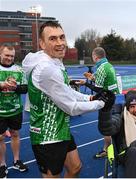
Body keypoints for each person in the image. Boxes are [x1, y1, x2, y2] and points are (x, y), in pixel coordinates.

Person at [22, 21, 114, 178]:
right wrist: (100, 103)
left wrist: (90, 97)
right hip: (48, 135)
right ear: (42, 44)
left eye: (62, 37)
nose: (60, 43)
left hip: (61, 129)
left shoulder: (54, 62)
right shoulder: (47, 69)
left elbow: (66, 91)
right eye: (52, 39)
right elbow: (70, 107)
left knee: (75, 167)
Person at [76, 47, 119, 158]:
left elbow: (99, 90)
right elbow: (104, 82)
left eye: (92, 56)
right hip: (114, 97)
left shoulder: (100, 69)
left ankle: (106, 150)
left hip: (107, 101)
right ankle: (115, 147)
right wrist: (92, 78)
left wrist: (85, 83)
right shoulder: (108, 65)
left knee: (106, 127)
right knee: (115, 122)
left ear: (95, 57)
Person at [0, 45, 28, 178]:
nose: (9, 58)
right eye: (7, 55)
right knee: (0, 138)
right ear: (0, 54)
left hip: (15, 110)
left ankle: (16, 160)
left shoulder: (19, 70)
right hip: (0, 112)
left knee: (15, 134)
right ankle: (2, 165)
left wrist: (15, 87)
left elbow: (25, 88)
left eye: (11, 56)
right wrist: (2, 86)